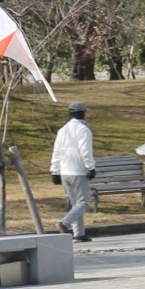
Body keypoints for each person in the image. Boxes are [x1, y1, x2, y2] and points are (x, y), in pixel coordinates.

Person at [49, 102, 96, 242]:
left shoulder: (63, 130)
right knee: (83, 203)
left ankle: (79, 234)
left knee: (75, 203)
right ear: (84, 113)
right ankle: (65, 223)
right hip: (78, 171)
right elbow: (85, 151)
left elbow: (56, 151)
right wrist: (91, 167)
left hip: (65, 171)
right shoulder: (83, 130)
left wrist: (55, 171)